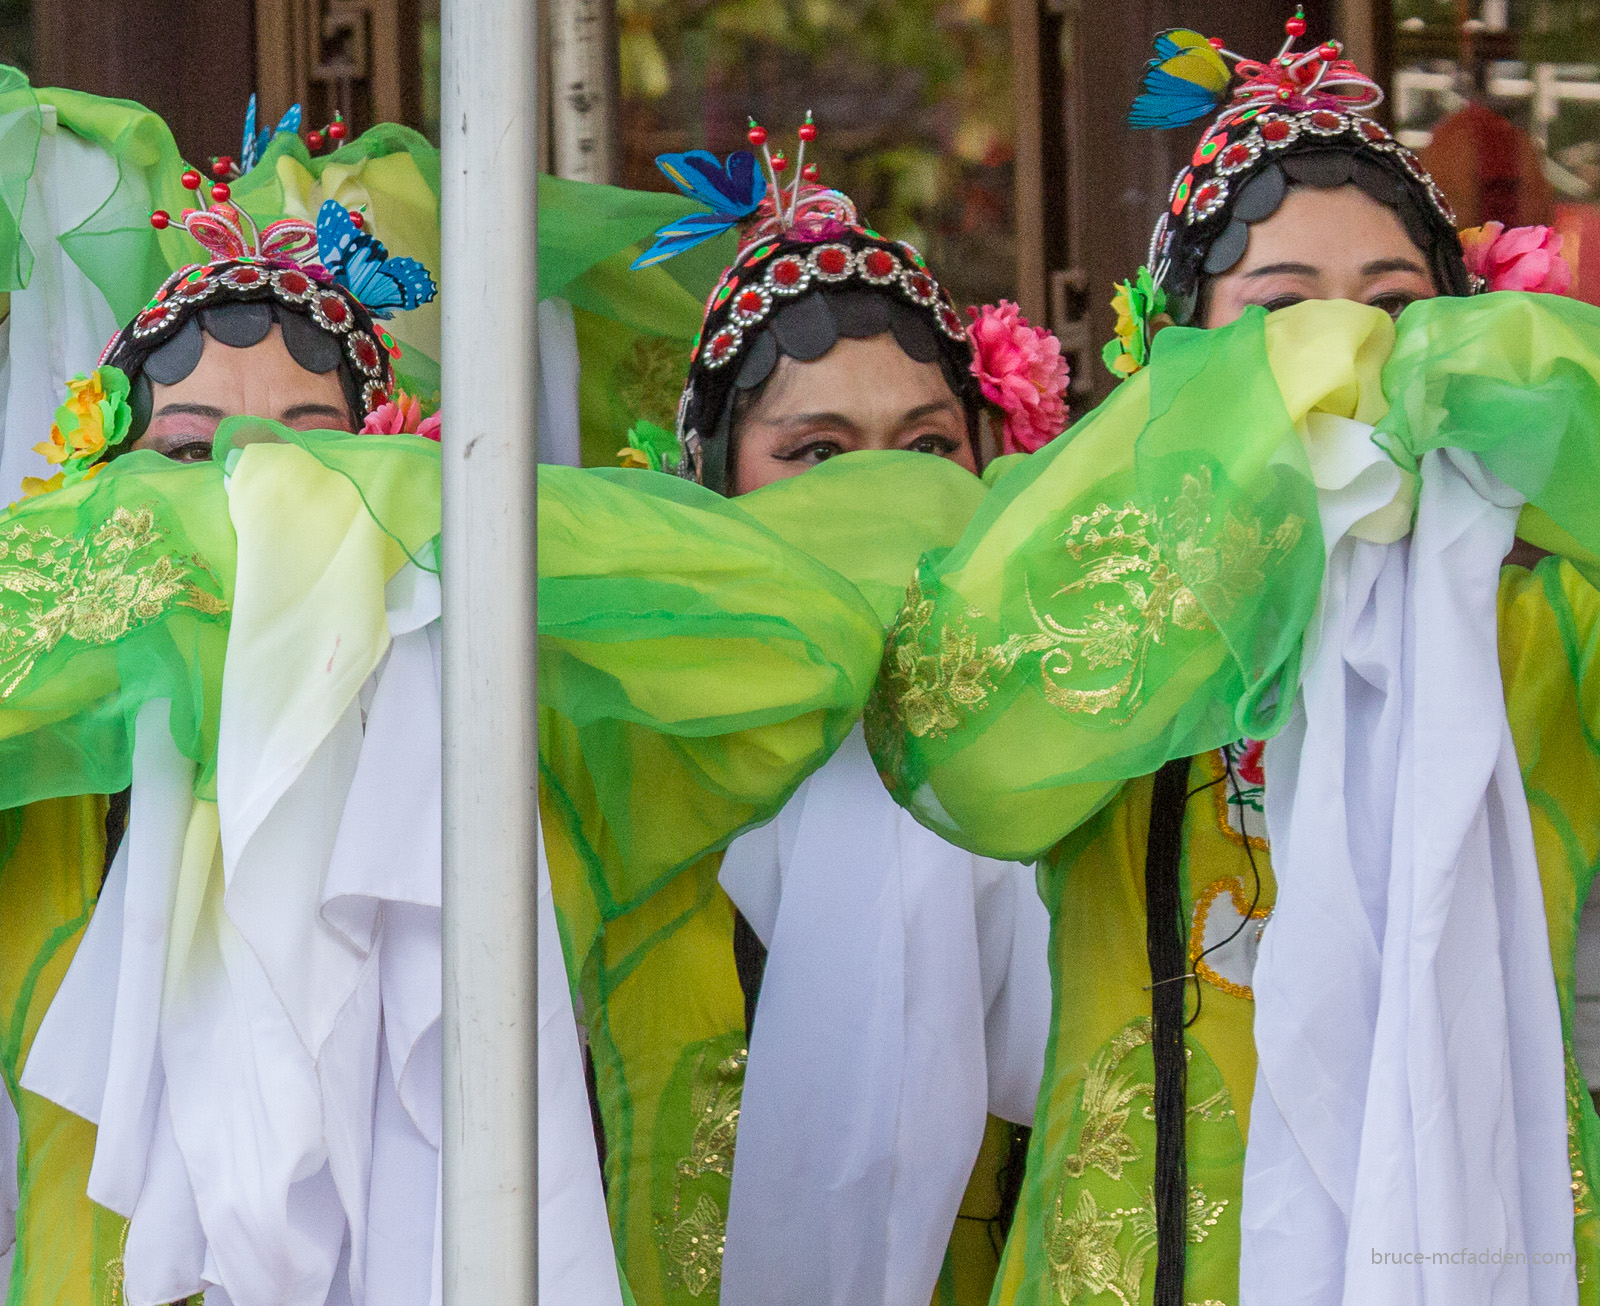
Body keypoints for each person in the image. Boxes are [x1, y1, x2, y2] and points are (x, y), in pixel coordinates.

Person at [867, 16, 1600, 1305]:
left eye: (1392, 314)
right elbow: (947, 738)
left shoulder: (1547, 630)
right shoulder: (1104, 589)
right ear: (1175, 356)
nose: (1345, 359)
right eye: (1280, 322)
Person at [540, 136, 1064, 1306]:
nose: (882, 495)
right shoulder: (606, 742)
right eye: (815, 455)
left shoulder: (1071, 738)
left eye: (927, 450)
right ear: (716, 487)